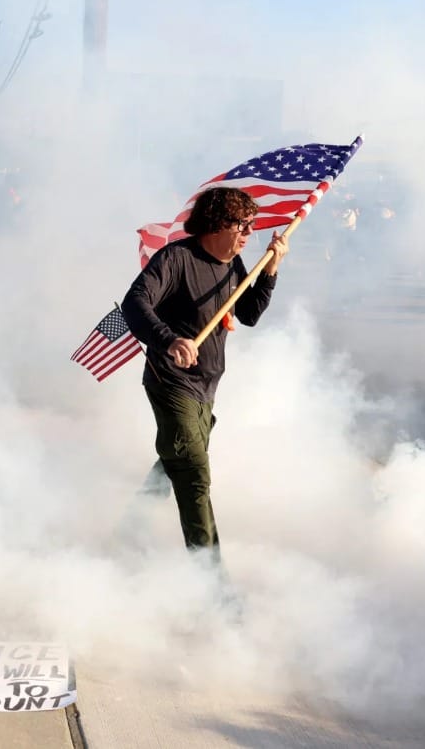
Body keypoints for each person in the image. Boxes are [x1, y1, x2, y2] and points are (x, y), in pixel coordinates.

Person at [120, 187, 289, 572]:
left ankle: (132, 526)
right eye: (241, 224)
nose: (249, 232)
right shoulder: (178, 258)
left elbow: (248, 313)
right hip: (170, 382)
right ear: (216, 224)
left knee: (177, 460)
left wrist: (271, 269)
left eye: (252, 225)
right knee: (195, 475)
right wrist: (168, 339)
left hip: (207, 387)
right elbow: (135, 302)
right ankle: (211, 583)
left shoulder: (233, 263)